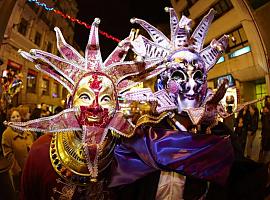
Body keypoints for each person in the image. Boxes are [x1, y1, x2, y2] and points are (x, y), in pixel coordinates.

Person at [7, 18, 234, 200]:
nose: (95, 106)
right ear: (70, 102)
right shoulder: (141, 142)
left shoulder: (130, 144)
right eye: (85, 96)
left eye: (105, 98)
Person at [1, 107, 35, 195]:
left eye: (18, 116)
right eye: (13, 117)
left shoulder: (27, 131)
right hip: (19, 173)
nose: (16, 118)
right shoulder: (7, 134)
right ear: (9, 120)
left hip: (30, 170)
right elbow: (8, 155)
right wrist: (18, 171)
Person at [260, 96, 270, 163]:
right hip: (265, 135)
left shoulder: (266, 116)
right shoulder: (264, 115)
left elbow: (267, 127)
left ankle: (264, 162)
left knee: (265, 150)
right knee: (264, 149)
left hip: (267, 135)